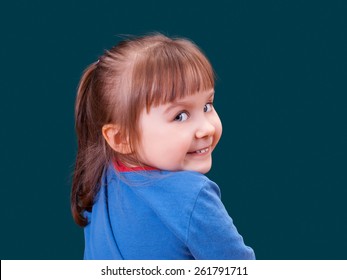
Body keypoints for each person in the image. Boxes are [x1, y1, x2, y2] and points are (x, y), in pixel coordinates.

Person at [71, 33, 255, 260]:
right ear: (121, 138)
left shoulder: (101, 178)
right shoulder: (191, 195)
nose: (206, 128)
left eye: (207, 106)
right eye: (180, 116)